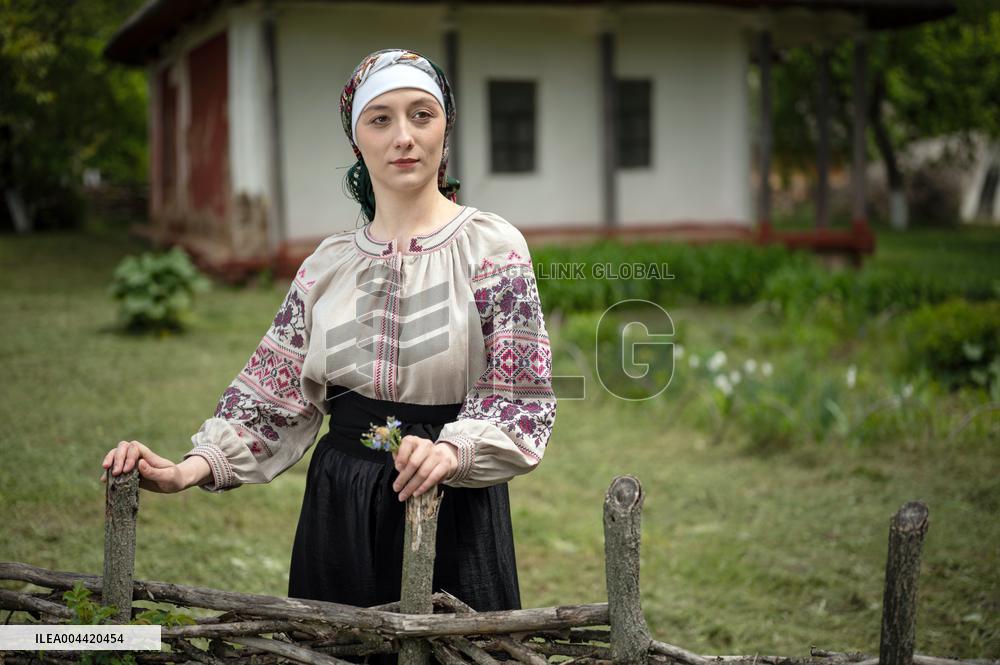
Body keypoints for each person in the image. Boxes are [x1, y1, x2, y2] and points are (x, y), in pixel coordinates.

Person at [99, 48, 557, 662]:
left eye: (422, 115)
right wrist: (191, 468)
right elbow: (276, 393)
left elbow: (519, 396)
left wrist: (452, 449)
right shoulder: (328, 265)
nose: (404, 137)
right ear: (357, 141)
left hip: (452, 503)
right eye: (381, 119)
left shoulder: (493, 247)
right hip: (340, 503)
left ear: (446, 129)